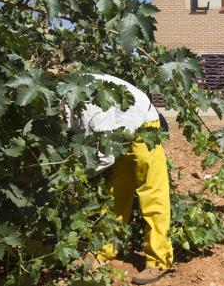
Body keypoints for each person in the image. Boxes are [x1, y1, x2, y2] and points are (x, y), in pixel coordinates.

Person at [67, 74, 172, 285]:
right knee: (116, 193)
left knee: (152, 194)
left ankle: (159, 261)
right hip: (119, 131)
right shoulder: (66, 97)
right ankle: (105, 250)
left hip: (143, 125)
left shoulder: (90, 107)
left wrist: (74, 179)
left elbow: (105, 157)